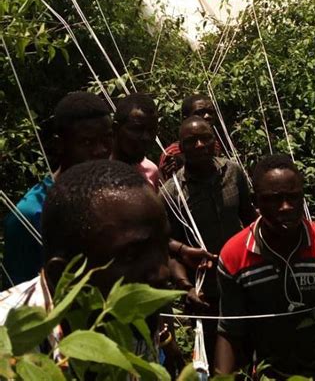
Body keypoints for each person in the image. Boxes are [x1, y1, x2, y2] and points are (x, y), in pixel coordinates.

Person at [0, 159, 182, 373]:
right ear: (64, 276)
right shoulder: (10, 346)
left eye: (162, 246)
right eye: (131, 255)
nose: (162, 272)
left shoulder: (128, 318)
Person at [215, 154, 315, 379]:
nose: (286, 207)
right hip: (268, 373)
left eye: (294, 197)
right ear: (255, 202)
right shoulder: (234, 256)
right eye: (274, 199)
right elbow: (231, 331)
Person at [161, 115, 256, 369]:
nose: (200, 145)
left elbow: (250, 221)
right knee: (216, 363)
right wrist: (186, 288)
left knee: (252, 355)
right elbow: (168, 246)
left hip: (244, 281)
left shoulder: (233, 172)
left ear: (215, 141)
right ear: (180, 147)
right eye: (192, 141)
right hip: (205, 293)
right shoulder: (171, 192)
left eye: (206, 138)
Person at [2, 91, 113, 286]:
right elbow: (19, 299)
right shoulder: (31, 214)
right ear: (59, 144)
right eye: (87, 142)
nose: (101, 150)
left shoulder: (113, 194)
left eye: (106, 139)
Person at [158, 94, 222, 180]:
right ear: (186, 119)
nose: (207, 116)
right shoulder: (172, 153)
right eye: (199, 113)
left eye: (210, 112)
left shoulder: (214, 144)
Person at [112, 93, 160, 191]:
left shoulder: (151, 171)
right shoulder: (95, 171)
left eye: (151, 130)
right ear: (116, 129)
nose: (146, 137)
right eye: (137, 129)